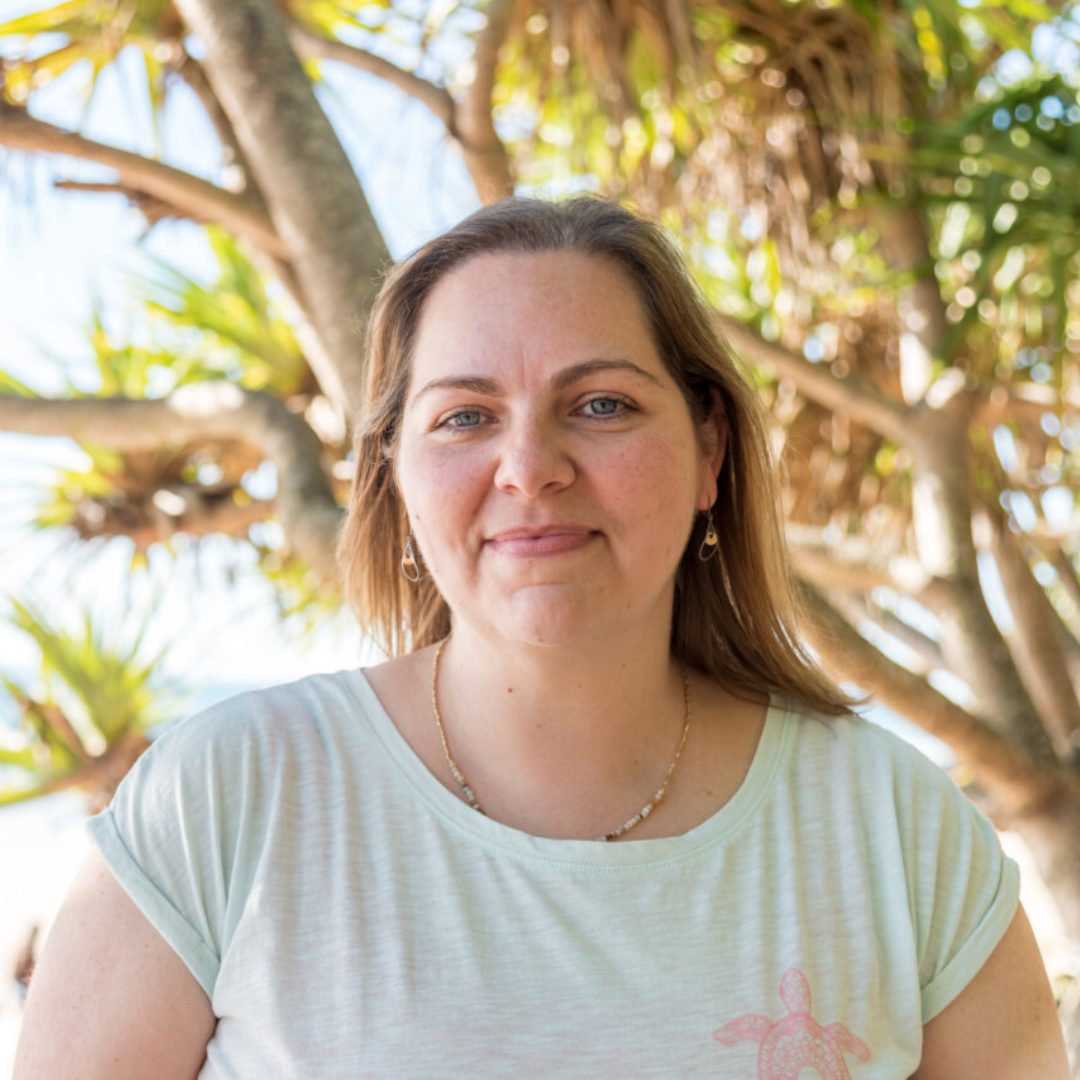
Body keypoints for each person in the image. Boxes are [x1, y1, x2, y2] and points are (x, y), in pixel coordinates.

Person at [14, 197, 1069, 1078]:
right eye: (465, 417)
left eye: (601, 404)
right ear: (396, 476)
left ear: (710, 451)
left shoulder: (892, 827)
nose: (530, 468)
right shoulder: (228, 797)